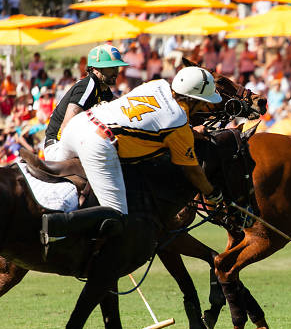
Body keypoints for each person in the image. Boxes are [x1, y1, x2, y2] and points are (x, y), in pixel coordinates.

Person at [40, 67, 225, 249]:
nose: (202, 106)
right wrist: (212, 193)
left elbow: (149, 119)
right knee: (117, 215)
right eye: (202, 102)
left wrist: (190, 133)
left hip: (79, 124)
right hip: (97, 142)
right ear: (192, 100)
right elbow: (192, 170)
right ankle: (60, 223)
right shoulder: (179, 124)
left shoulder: (157, 85)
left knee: (54, 179)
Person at [44, 45, 129, 161]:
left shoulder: (104, 91)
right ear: (95, 69)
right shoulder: (88, 85)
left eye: (116, 68)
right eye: (110, 68)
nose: (115, 72)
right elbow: (66, 126)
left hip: (67, 146)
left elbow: (122, 106)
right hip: (57, 147)